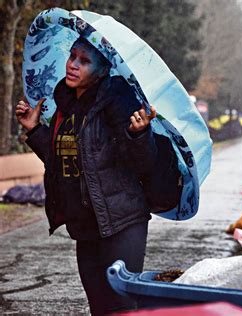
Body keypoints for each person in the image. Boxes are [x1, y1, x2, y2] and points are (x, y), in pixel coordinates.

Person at [16, 37, 181, 315]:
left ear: (102, 69)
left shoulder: (117, 99)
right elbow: (65, 161)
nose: (73, 65)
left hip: (121, 221)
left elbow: (142, 162)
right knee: (98, 306)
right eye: (72, 57)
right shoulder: (65, 106)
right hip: (85, 224)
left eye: (84, 60)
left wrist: (139, 135)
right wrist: (35, 131)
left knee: (122, 306)